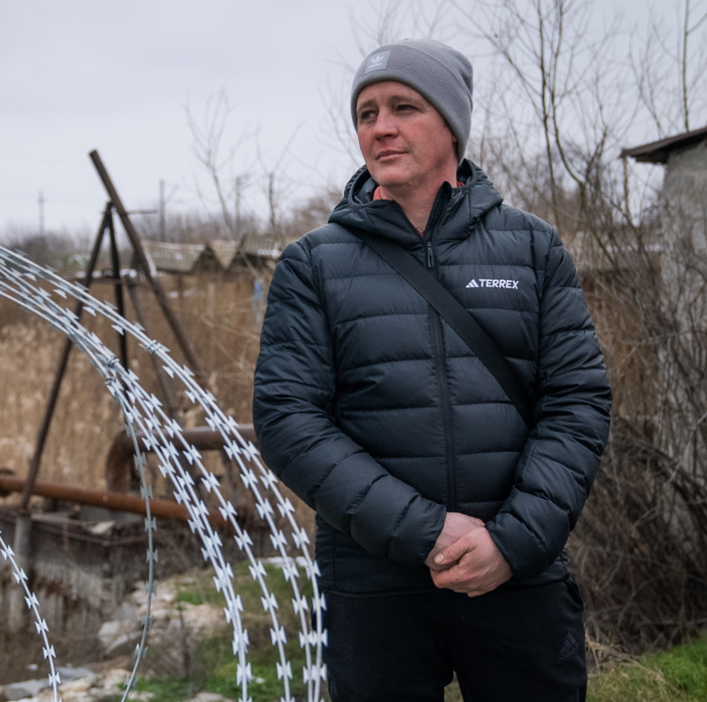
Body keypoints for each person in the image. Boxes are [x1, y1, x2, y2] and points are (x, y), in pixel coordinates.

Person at [252, 39, 611, 701]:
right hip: (374, 587)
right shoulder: (313, 264)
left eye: (403, 107)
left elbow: (576, 400)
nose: (380, 127)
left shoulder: (532, 249)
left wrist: (513, 541)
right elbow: (289, 422)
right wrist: (427, 530)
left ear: (451, 123)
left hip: (519, 578)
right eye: (366, 113)